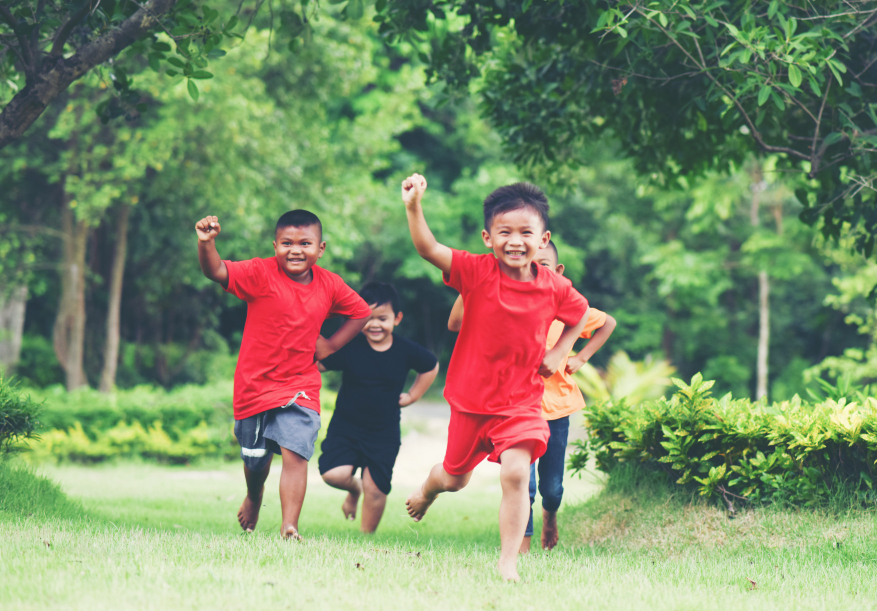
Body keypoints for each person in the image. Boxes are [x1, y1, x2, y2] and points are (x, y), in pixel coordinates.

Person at [400, 173, 590, 582]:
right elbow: (428, 248)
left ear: (543, 239)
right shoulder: (476, 272)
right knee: (453, 478)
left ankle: (508, 562)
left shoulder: (554, 287)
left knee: (518, 471)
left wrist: (559, 353)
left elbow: (580, 312)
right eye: (505, 232)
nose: (515, 241)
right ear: (488, 237)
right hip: (470, 401)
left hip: (521, 403)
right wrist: (414, 206)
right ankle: (427, 490)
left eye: (526, 232)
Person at [195, 209, 372, 540]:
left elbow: (361, 312)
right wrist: (207, 243)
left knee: (296, 452)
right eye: (287, 243)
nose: (295, 250)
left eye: (305, 243)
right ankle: (254, 495)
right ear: (275, 245)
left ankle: (289, 524)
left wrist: (331, 345)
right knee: (255, 460)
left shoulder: (329, 283)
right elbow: (216, 270)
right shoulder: (260, 272)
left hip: (300, 385)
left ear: (320, 249)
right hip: (254, 387)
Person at [448, 240, 616, 553]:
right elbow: (456, 324)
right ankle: (520, 551)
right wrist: (471, 283)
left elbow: (607, 322)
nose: (532, 274)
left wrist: (578, 357)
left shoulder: (567, 308)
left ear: (559, 273)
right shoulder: (505, 305)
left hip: (557, 411)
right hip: (515, 411)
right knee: (524, 484)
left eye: (543, 267)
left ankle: (550, 516)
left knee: (551, 489)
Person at [316, 281, 439, 534]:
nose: (374, 324)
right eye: (367, 318)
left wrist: (413, 395)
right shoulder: (349, 347)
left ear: (397, 318)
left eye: (382, 318)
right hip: (346, 427)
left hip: (384, 432)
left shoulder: (405, 350)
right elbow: (319, 362)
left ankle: (366, 536)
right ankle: (353, 489)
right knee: (333, 474)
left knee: (376, 488)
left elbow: (430, 365)